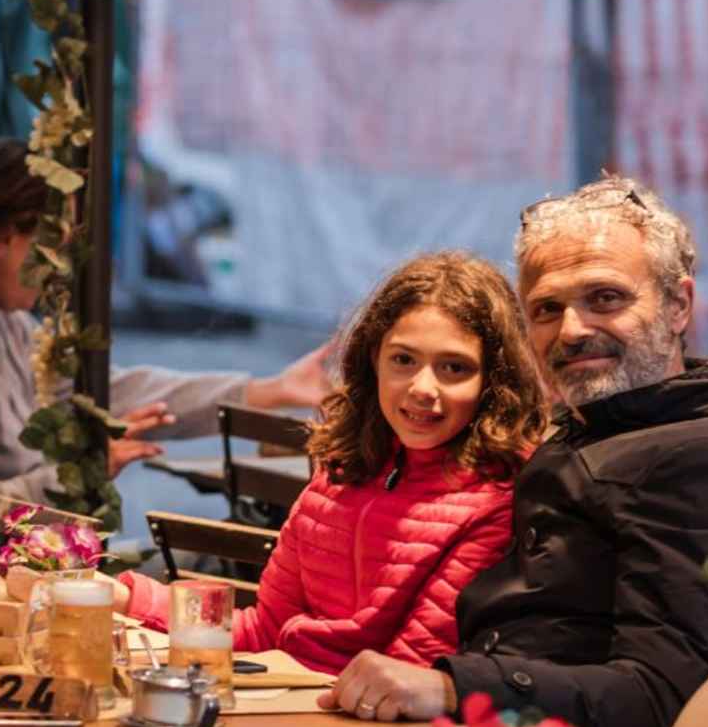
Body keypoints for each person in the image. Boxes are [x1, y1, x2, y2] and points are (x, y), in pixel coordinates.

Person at [319, 177, 708, 727]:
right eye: (548, 308)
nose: (572, 330)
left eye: (605, 298)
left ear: (678, 305)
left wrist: (453, 686)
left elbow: (676, 698)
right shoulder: (599, 428)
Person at [0, 139, 334, 574]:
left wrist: (266, 392)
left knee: (243, 544)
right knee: (236, 558)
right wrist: (75, 475)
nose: (65, 269)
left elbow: (103, 392)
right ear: (6, 238)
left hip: (35, 563)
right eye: (56, 245)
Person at [115, 252, 548, 672]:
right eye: (403, 360)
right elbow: (266, 629)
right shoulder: (340, 474)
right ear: (372, 360)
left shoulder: (496, 499)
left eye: (454, 367)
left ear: (494, 382)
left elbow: (405, 673)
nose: (422, 387)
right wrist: (129, 599)